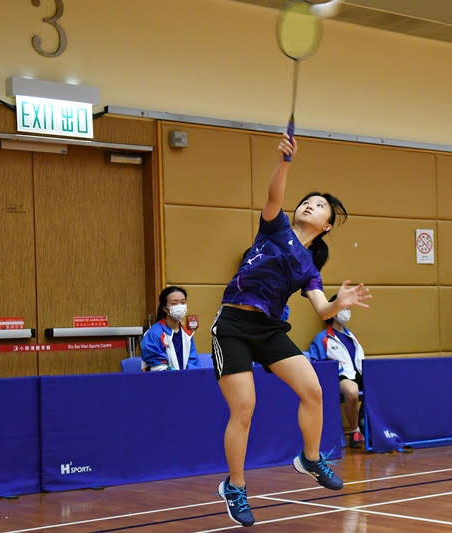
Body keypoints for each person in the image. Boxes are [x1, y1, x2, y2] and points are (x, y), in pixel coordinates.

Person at [211, 134, 372, 527]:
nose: (309, 205)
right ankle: (235, 486)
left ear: (327, 225)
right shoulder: (274, 228)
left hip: (268, 330)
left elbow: (321, 308)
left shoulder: (309, 269)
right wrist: (284, 162)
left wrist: (340, 303)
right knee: (244, 408)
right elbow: (274, 194)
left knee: (315, 389)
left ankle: (311, 458)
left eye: (319, 206)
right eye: (308, 200)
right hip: (232, 325)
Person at [308, 294, 365, 449]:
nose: (347, 311)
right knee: (352, 391)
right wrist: (335, 367)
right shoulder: (322, 338)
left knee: (381, 385)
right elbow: (315, 362)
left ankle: (366, 424)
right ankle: (355, 431)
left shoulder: (351, 336)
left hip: (357, 373)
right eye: (343, 307)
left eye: (348, 308)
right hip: (340, 376)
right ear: (333, 310)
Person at [140, 286, 200, 371]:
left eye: (183, 303)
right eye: (174, 303)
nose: (180, 306)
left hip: (185, 381)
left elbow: (193, 363)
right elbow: (158, 367)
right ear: (165, 308)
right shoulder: (154, 333)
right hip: (161, 381)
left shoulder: (187, 334)